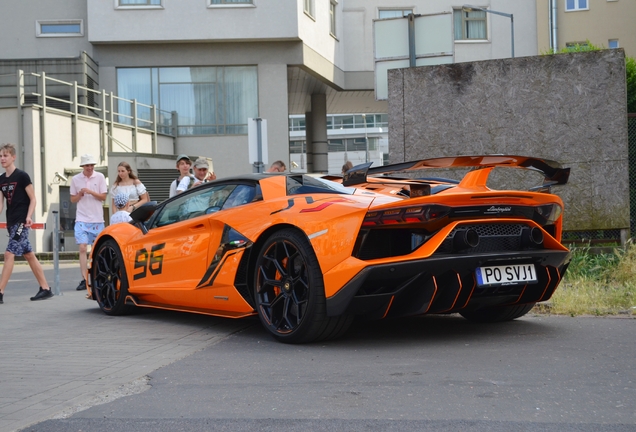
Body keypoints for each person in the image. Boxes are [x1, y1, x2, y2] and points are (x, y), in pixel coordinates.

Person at [0, 143, 53, 303]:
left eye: (5, 155)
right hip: (11, 222)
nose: (2, 158)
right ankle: (45, 288)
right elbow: (1, 204)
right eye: (1, 156)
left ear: (13, 157)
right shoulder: (1, 180)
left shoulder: (22, 176)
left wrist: (29, 216)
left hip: (21, 221)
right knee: (28, 255)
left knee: (9, 254)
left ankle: (0, 291)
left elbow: (33, 198)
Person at [71, 154, 108, 291]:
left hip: (97, 218)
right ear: (82, 166)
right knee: (82, 247)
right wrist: (80, 194)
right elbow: (72, 199)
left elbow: (103, 197)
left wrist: (90, 192)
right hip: (81, 218)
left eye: (92, 165)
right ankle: (84, 278)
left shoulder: (100, 177)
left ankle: (97, 275)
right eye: (87, 165)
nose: (90, 168)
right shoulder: (75, 179)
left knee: (96, 249)